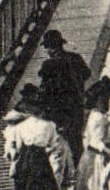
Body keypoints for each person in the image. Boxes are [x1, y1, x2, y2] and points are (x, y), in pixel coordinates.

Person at [3, 84, 72, 190]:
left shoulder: (19, 127)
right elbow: (56, 147)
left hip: (25, 166)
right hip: (41, 165)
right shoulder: (49, 125)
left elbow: (14, 151)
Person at [38, 29, 90, 162]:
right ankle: (81, 167)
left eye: (47, 47)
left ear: (50, 47)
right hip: (77, 104)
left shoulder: (48, 65)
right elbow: (86, 74)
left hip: (59, 108)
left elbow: (46, 88)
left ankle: (68, 172)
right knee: (76, 139)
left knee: (60, 141)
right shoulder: (75, 57)